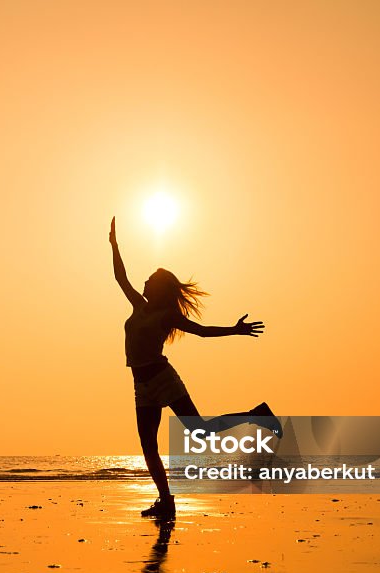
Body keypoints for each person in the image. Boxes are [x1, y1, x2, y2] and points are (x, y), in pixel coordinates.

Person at [109, 216, 280, 518]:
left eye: (150, 279)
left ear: (159, 288)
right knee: (148, 444)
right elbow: (121, 277)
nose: (144, 281)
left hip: (163, 379)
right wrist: (114, 245)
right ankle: (166, 501)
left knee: (199, 432)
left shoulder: (165, 315)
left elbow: (202, 331)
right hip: (141, 385)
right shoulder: (139, 305)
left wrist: (234, 330)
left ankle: (256, 415)